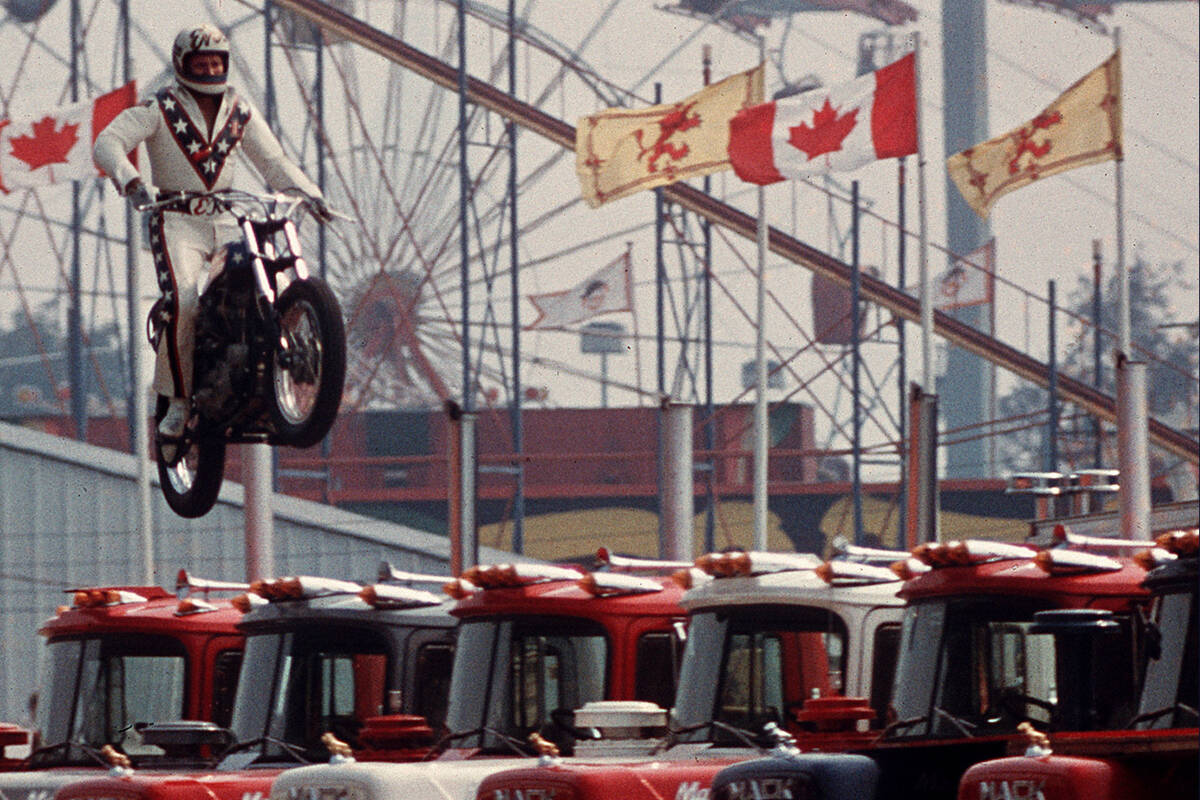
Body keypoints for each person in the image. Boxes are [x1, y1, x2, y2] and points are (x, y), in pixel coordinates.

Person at [94, 23, 330, 454]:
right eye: (200, 63)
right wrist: (130, 181)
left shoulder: (239, 111)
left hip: (228, 217)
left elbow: (273, 161)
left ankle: (277, 367)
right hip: (176, 220)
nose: (209, 69)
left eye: (216, 62)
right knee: (184, 300)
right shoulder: (158, 108)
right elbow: (108, 141)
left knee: (269, 284)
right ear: (183, 65)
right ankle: (178, 404)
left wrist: (310, 194)